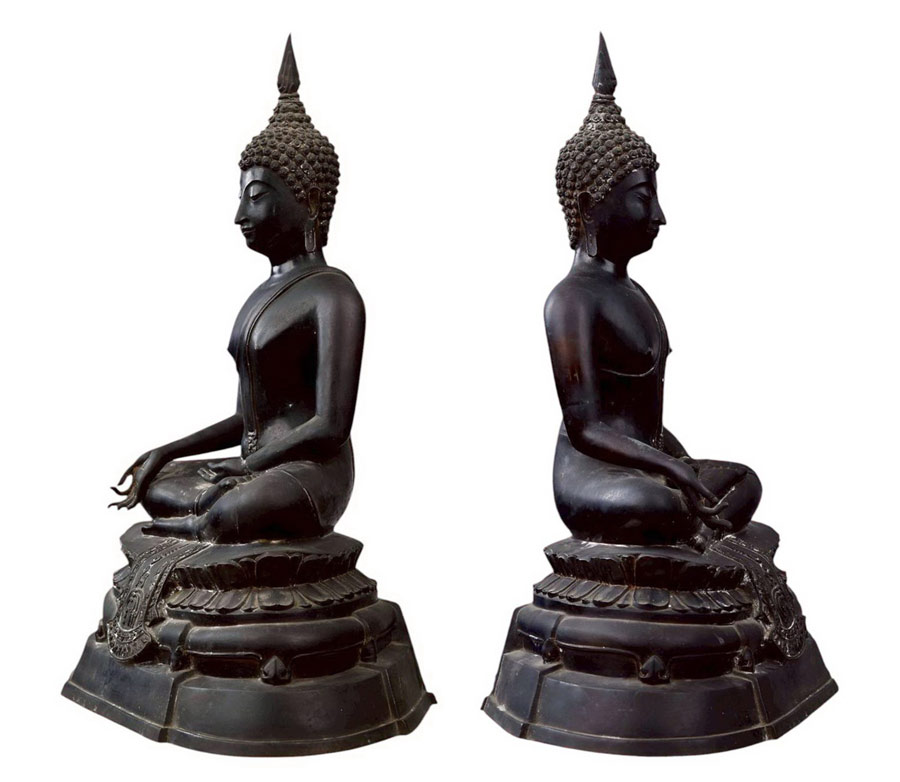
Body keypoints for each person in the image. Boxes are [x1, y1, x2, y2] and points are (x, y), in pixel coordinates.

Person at [111, 37, 364, 544]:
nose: (240, 215)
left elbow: (330, 426)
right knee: (160, 484)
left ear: (311, 201)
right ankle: (210, 519)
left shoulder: (333, 296)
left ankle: (210, 524)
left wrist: (248, 468)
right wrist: (168, 451)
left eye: (256, 197)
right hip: (256, 467)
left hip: (308, 474)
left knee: (238, 507)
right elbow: (248, 419)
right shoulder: (263, 295)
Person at [546, 34, 761, 547]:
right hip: (594, 474)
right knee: (663, 503)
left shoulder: (634, 293)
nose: (659, 216)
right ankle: (693, 531)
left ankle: (696, 533)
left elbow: (645, 418)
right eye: (643, 199)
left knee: (744, 482)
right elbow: (587, 428)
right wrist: (673, 472)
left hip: (651, 461)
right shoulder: (571, 301)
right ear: (589, 206)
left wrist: (679, 462)